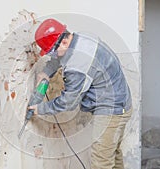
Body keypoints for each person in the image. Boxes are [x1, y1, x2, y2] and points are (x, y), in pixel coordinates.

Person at [28, 18, 132, 169]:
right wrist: (46, 72)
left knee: (101, 161)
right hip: (121, 102)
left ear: (63, 42)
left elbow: (68, 102)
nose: (53, 56)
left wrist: (40, 109)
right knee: (111, 154)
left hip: (112, 110)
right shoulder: (81, 38)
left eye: (51, 51)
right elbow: (61, 56)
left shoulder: (77, 66)